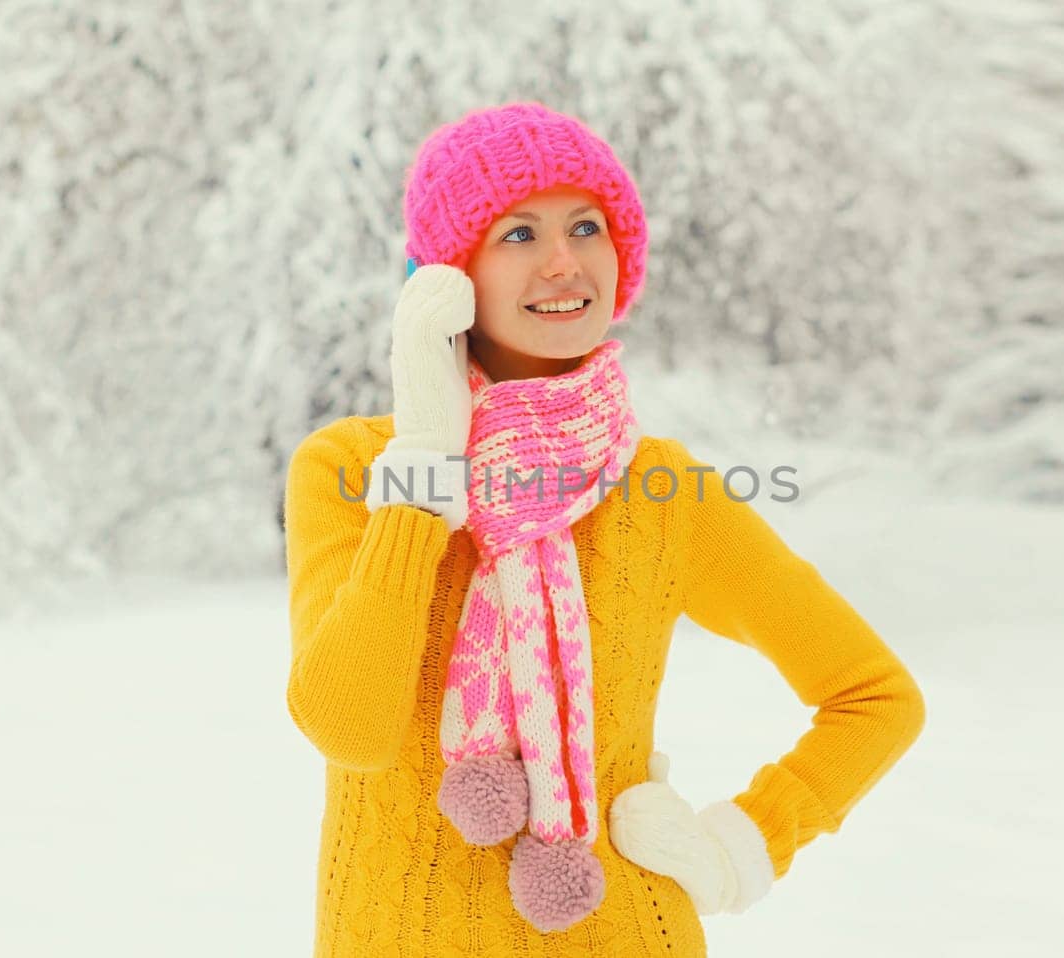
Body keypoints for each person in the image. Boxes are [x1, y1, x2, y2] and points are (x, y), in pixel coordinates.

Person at [283, 101, 926, 956]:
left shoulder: (662, 490)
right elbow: (349, 728)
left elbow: (874, 697)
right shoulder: (353, 469)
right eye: (518, 234)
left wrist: (739, 847)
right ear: (446, 279)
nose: (562, 263)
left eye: (587, 227)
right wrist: (426, 464)